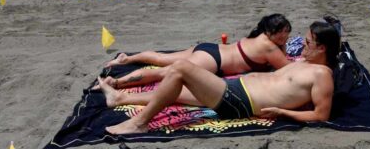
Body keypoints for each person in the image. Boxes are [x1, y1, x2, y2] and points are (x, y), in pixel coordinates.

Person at [98, 19, 341, 134]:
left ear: (322, 48)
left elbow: (321, 114)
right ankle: (119, 98)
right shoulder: (305, 63)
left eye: (308, 42)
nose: (303, 45)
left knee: (181, 68)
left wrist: (283, 113)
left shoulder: (322, 74)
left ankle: (139, 123)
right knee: (175, 92)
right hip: (235, 89)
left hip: (241, 102)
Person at [100, 14, 292, 89]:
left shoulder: (258, 36)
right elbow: (289, 69)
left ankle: (126, 59)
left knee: (161, 58)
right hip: (213, 61)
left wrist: (281, 45)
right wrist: (282, 48)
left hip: (209, 49)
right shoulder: (269, 47)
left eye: (287, 34)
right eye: (283, 34)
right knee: (163, 73)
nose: (286, 38)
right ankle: (115, 83)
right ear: (270, 32)